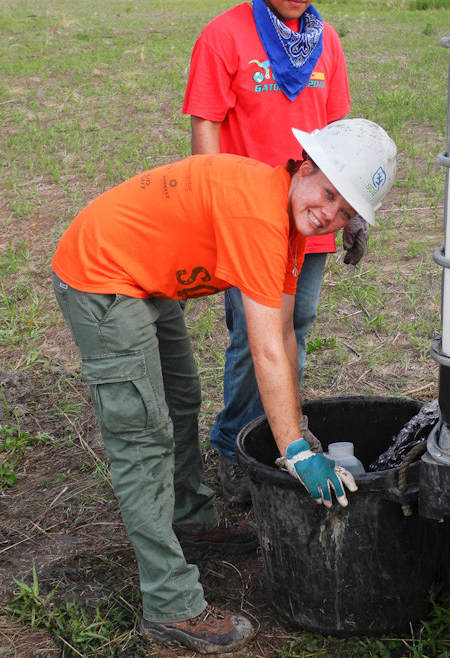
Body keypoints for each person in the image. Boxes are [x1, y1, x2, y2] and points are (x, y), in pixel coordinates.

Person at [51, 118, 397, 654]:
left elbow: (282, 332)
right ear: (304, 166)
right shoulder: (258, 213)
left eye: (346, 210)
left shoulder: (290, 224)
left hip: (146, 275)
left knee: (182, 399)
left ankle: (190, 520)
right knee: (143, 435)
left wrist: (297, 427)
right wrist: (297, 452)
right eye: (329, 193)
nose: (330, 213)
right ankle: (169, 603)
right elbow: (262, 350)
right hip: (103, 274)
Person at [182, 0, 368, 504]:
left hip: (310, 215)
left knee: (297, 326)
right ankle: (237, 443)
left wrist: (350, 212)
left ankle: (281, 432)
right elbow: (206, 127)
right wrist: (210, 206)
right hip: (248, 220)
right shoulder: (224, 35)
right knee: (252, 336)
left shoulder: (327, 43)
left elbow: (339, 136)